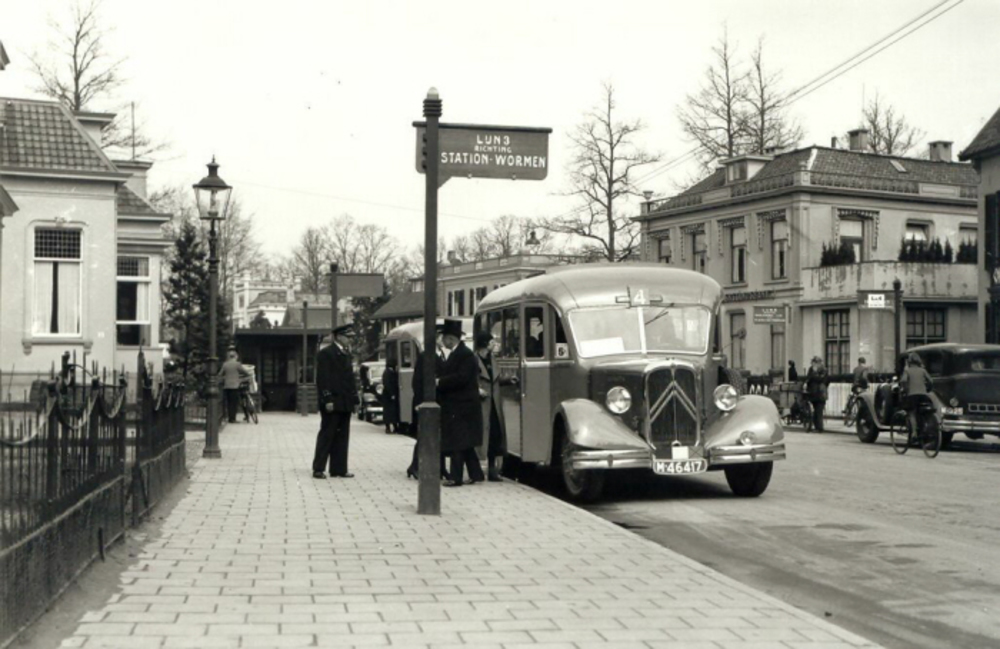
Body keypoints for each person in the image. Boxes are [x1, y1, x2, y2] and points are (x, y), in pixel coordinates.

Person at [437, 319, 485, 487]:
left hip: (462, 406)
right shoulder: (459, 353)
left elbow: (461, 378)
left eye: (444, 338)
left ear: (451, 339)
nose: (442, 341)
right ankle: (476, 474)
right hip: (461, 405)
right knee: (465, 443)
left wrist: (440, 382)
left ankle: (455, 477)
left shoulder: (464, 355)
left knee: (457, 442)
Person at [312, 325, 359, 479]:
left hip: (345, 401)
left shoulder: (346, 353)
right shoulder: (326, 354)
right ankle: (318, 468)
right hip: (333, 400)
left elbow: (350, 379)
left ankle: (339, 469)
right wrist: (327, 399)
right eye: (348, 337)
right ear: (338, 336)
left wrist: (355, 399)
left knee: (342, 436)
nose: (350, 339)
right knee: (327, 434)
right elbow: (323, 378)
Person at [475, 331, 505, 482]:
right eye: (492, 342)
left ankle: (492, 471)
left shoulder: (492, 359)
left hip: (493, 404)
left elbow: (495, 378)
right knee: (480, 437)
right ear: (485, 344)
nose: (495, 344)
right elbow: (468, 379)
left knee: (494, 436)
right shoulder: (474, 360)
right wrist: (477, 390)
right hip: (481, 404)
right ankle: (477, 470)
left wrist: (508, 380)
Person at [900, 352, 934, 435]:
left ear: (909, 361)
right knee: (923, 411)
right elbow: (931, 381)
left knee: (911, 413)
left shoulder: (907, 370)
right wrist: (928, 389)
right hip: (923, 395)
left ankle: (914, 433)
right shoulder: (923, 370)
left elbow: (903, 380)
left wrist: (905, 389)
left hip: (912, 395)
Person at [218, 348, 250, 423]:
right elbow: (246, 373)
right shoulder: (237, 364)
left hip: (227, 386)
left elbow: (220, 374)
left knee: (228, 402)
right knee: (234, 403)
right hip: (235, 386)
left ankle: (229, 417)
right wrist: (241, 378)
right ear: (235, 356)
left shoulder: (225, 364)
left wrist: (224, 378)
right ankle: (232, 419)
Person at [805, 355, 828, 432]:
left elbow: (821, 379)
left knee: (819, 410)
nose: (813, 364)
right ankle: (817, 426)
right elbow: (808, 378)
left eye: (814, 362)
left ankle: (819, 427)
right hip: (813, 392)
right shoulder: (811, 369)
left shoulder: (823, 370)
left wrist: (814, 374)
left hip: (820, 393)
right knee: (816, 410)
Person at [382, 360, 400, 434]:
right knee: (391, 412)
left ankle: (392, 427)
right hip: (389, 396)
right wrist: (392, 394)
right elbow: (388, 384)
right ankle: (390, 427)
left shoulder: (387, 372)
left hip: (387, 395)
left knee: (390, 412)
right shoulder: (389, 373)